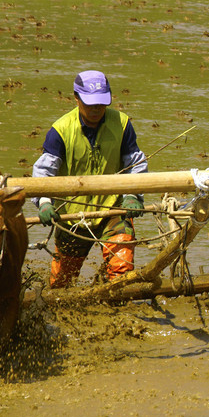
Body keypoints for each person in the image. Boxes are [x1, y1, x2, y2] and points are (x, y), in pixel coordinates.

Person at [32, 70, 149, 288]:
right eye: (90, 104)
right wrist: (45, 202)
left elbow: (135, 163)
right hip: (73, 214)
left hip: (113, 208)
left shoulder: (122, 124)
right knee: (62, 282)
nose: (96, 109)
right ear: (76, 99)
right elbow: (43, 172)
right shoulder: (60, 130)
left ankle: (120, 310)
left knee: (122, 268)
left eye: (101, 104)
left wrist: (133, 194)